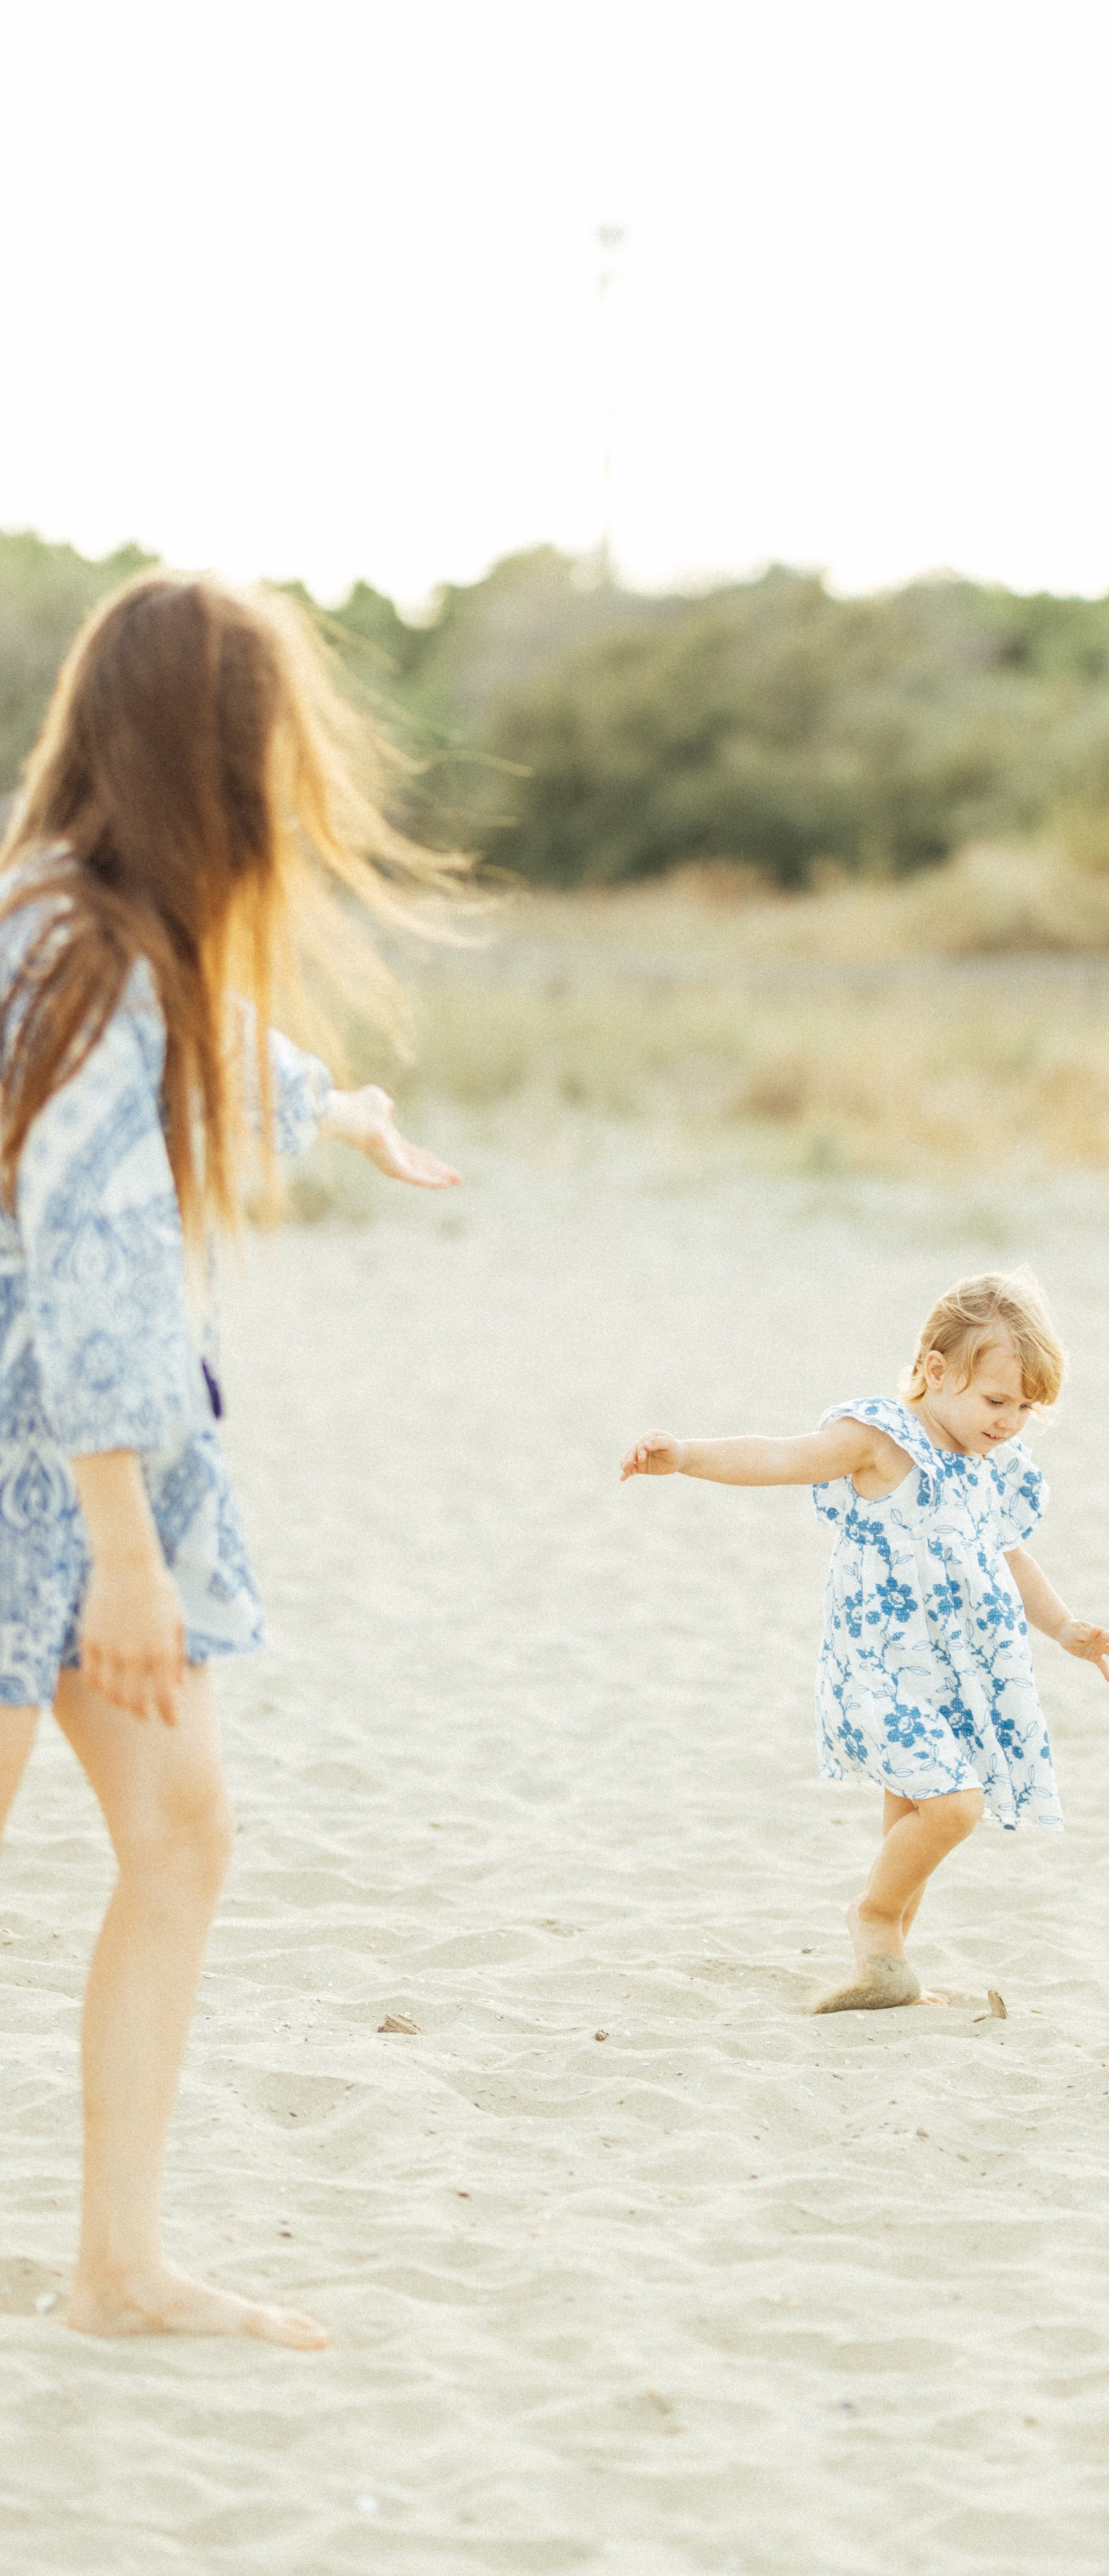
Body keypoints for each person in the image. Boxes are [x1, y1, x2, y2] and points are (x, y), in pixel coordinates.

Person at [0, 573, 462, 2345]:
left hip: (76, 1456)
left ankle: (118, 2265)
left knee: (181, 1830)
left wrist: (337, 1105)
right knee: (149, 1834)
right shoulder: (78, 946)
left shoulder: (82, 923)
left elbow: (189, 1063)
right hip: (55, 1461)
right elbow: (94, 1244)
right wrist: (122, 1545)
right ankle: (113, 2266)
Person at [621, 1270, 1109, 2010]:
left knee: (913, 1822)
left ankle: (886, 1965)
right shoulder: (878, 1440)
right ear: (934, 1370)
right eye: (997, 1400)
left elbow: (1009, 1555)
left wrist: (1064, 1627)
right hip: (882, 1675)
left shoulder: (987, 1469)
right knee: (955, 1806)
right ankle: (869, 1915)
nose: (1010, 1422)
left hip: (956, 1676)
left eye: (1025, 1407)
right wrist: (686, 1455)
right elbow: (777, 1456)